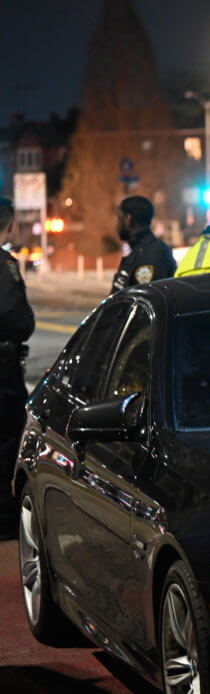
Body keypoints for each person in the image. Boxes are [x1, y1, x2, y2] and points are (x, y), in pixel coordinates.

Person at [0, 197, 36, 540]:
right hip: (2, 370)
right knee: (8, 439)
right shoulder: (4, 265)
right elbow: (15, 317)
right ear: (8, 223)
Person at [110, 195, 176, 293]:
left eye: (119, 219)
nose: (116, 224)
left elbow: (151, 300)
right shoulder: (141, 250)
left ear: (128, 220)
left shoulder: (151, 255)